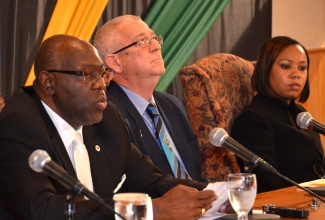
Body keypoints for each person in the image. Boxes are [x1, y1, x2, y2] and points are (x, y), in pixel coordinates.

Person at [0, 34, 231, 220]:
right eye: (88, 75)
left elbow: (153, 181)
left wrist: (217, 196)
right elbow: (41, 209)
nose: (101, 84)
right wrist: (151, 211)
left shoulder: (106, 117)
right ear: (48, 82)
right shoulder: (19, 124)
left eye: (102, 73)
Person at [93, 15, 205, 182]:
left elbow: (196, 173)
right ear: (115, 62)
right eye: (142, 41)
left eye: (155, 38)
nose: (156, 47)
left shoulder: (172, 105)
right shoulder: (107, 112)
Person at [231, 36, 325, 193]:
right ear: (265, 70)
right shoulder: (253, 120)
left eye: (302, 68)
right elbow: (271, 183)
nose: (296, 74)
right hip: (291, 208)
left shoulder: (301, 114)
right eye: (286, 66)